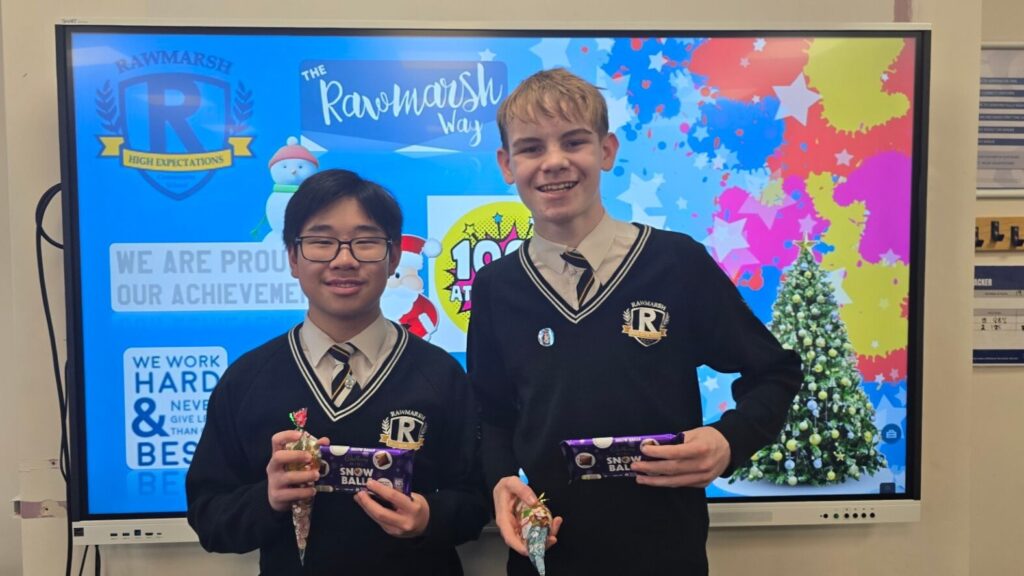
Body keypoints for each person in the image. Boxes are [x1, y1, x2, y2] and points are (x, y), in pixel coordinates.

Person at [467, 69, 803, 575]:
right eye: (531, 148)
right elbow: (491, 415)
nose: (553, 161)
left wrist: (729, 439)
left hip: (665, 555)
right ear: (506, 164)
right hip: (546, 556)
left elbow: (775, 372)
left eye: (574, 142)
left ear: (606, 151)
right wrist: (499, 480)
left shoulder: (677, 263)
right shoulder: (496, 286)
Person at [187, 169, 488, 575]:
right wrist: (268, 499)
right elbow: (208, 516)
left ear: (394, 257)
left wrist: (428, 517)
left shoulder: (441, 375)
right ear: (293, 258)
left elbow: (479, 499)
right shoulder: (247, 380)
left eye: (365, 242)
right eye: (321, 242)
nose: (344, 260)